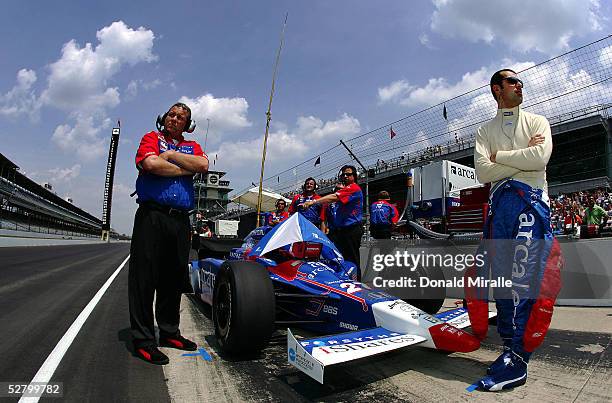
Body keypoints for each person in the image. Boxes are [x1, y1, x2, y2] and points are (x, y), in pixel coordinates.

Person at [468, 69, 562, 391]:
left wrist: (502, 158)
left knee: (524, 275)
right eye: (512, 81)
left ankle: (519, 358)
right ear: (497, 89)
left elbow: (541, 158)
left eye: (520, 81)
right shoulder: (483, 130)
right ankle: (509, 346)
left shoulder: (538, 121)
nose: (519, 85)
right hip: (498, 207)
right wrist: (522, 159)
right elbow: (482, 171)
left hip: (530, 201)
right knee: (503, 281)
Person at [129, 102, 209, 365]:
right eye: (172, 115)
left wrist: (171, 156)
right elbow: (151, 164)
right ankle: (142, 340)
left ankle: (169, 332)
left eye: (181, 117)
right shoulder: (151, 138)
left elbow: (202, 164)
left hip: (180, 220)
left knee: (173, 278)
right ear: (164, 118)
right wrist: (185, 168)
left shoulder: (193, 145)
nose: (175, 119)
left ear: (187, 124)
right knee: (144, 278)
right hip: (152, 215)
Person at [302, 165, 363, 280]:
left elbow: (334, 197)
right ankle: (344, 282)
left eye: (348, 174)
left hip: (351, 230)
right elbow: (325, 217)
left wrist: (313, 202)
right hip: (340, 231)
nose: (345, 176)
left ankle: (357, 284)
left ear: (354, 176)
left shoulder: (353, 188)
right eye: (343, 174)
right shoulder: (339, 197)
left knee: (352, 260)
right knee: (341, 259)